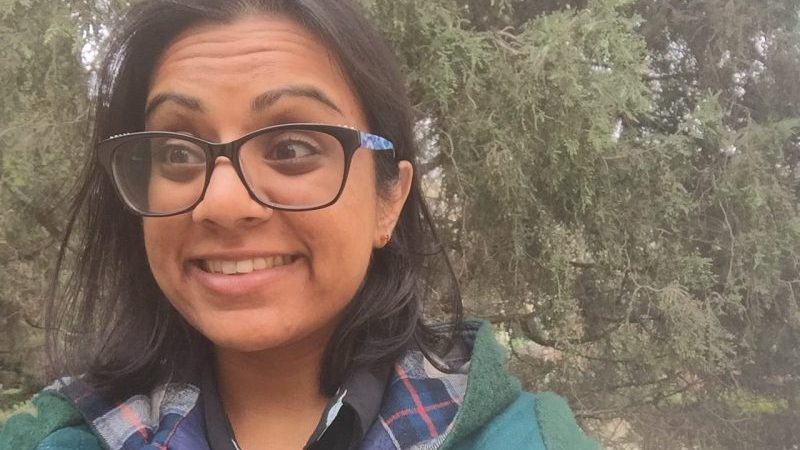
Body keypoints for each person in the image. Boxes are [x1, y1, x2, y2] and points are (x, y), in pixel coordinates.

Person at [0, 1, 599, 449]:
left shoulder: (527, 439)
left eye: (291, 148)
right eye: (178, 152)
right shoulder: (55, 438)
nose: (222, 203)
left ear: (389, 200)